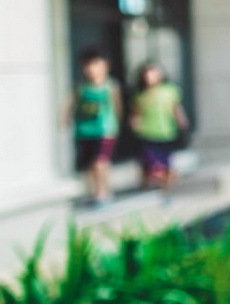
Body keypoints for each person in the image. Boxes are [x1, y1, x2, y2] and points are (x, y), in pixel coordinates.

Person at [65, 47, 121, 206]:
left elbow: (117, 107)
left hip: (105, 130)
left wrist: (116, 126)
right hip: (85, 131)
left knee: (100, 163)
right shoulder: (81, 88)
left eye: (96, 64)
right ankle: (97, 191)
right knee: (91, 165)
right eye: (88, 65)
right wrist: (65, 119)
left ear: (105, 65)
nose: (91, 69)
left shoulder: (111, 86)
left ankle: (103, 193)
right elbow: (71, 105)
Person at [130, 61, 189, 195]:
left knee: (165, 161)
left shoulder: (169, 91)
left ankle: (167, 186)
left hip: (166, 131)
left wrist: (181, 121)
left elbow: (175, 108)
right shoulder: (140, 95)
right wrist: (135, 123)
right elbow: (136, 113)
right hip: (147, 132)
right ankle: (157, 181)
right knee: (153, 161)